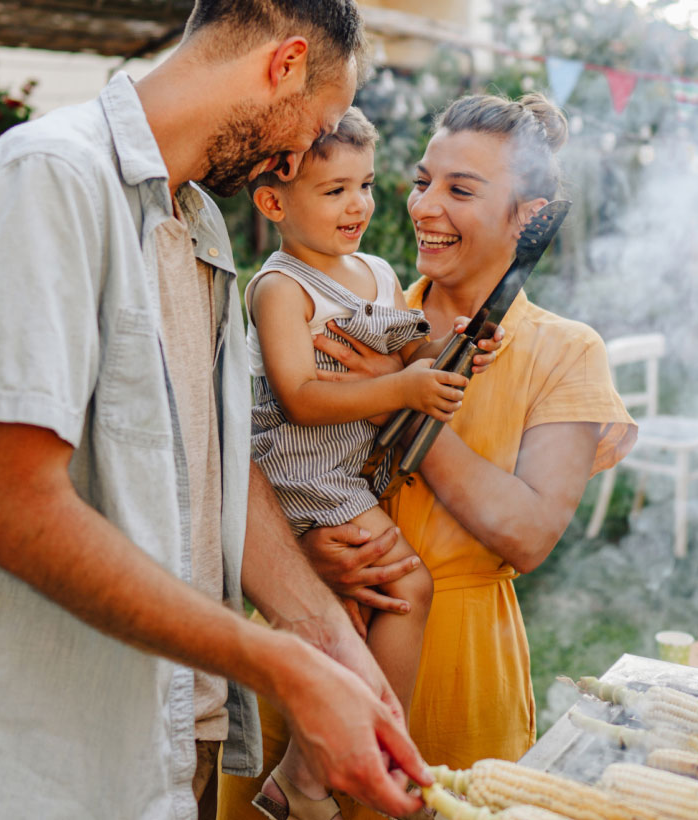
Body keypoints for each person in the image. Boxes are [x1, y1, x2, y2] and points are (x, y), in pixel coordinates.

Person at [0, 2, 436, 819]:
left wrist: (323, 635)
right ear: (285, 63)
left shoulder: (197, 224)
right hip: (57, 751)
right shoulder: (51, 176)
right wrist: (283, 666)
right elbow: (17, 508)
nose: (299, 158)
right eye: (318, 124)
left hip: (179, 729)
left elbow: (212, 463)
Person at [217, 93, 637, 820]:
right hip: (308, 644)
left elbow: (528, 533)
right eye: (421, 181)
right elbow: (253, 455)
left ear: (528, 217)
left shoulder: (566, 353)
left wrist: (397, 398)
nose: (423, 207)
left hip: (457, 679)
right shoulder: (347, 310)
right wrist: (299, 562)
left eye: (460, 190)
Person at [241, 108, 502, 820]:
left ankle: (302, 773)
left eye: (366, 185)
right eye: (334, 191)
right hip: (305, 472)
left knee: (357, 611)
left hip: (352, 472)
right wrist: (403, 387)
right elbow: (298, 397)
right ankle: (377, 744)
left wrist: (452, 349)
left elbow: (410, 347)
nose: (358, 204)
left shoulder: (378, 272)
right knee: (405, 589)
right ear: (273, 202)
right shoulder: (280, 288)